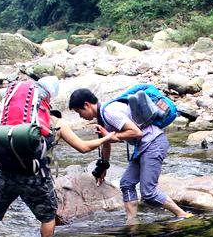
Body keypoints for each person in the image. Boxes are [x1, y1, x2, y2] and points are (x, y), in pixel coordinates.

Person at [0, 77, 118, 237]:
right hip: (34, 175)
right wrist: (106, 138)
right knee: (47, 218)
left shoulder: (12, 118)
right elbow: (83, 147)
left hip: (5, 171)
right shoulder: (55, 122)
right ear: (48, 98)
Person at [69, 87, 191, 224]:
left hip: (154, 143)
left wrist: (113, 136)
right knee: (127, 184)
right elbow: (106, 144)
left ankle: (183, 215)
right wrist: (103, 167)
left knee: (148, 193)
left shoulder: (109, 112)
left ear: (86, 105)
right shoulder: (102, 118)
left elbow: (136, 132)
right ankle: (132, 222)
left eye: (79, 112)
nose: (80, 116)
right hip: (143, 146)